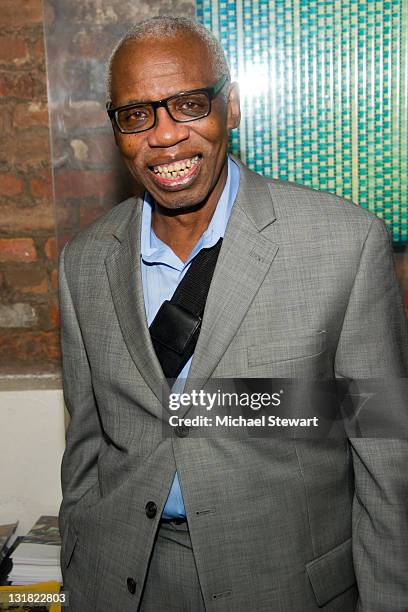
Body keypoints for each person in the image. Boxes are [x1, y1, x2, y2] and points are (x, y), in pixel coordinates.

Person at [58, 16, 408, 612]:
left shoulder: (343, 245)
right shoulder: (83, 263)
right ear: (116, 130)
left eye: (189, 104)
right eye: (137, 114)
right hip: (125, 582)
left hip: (285, 584)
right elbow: (87, 451)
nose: (165, 137)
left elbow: (386, 460)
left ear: (232, 108)